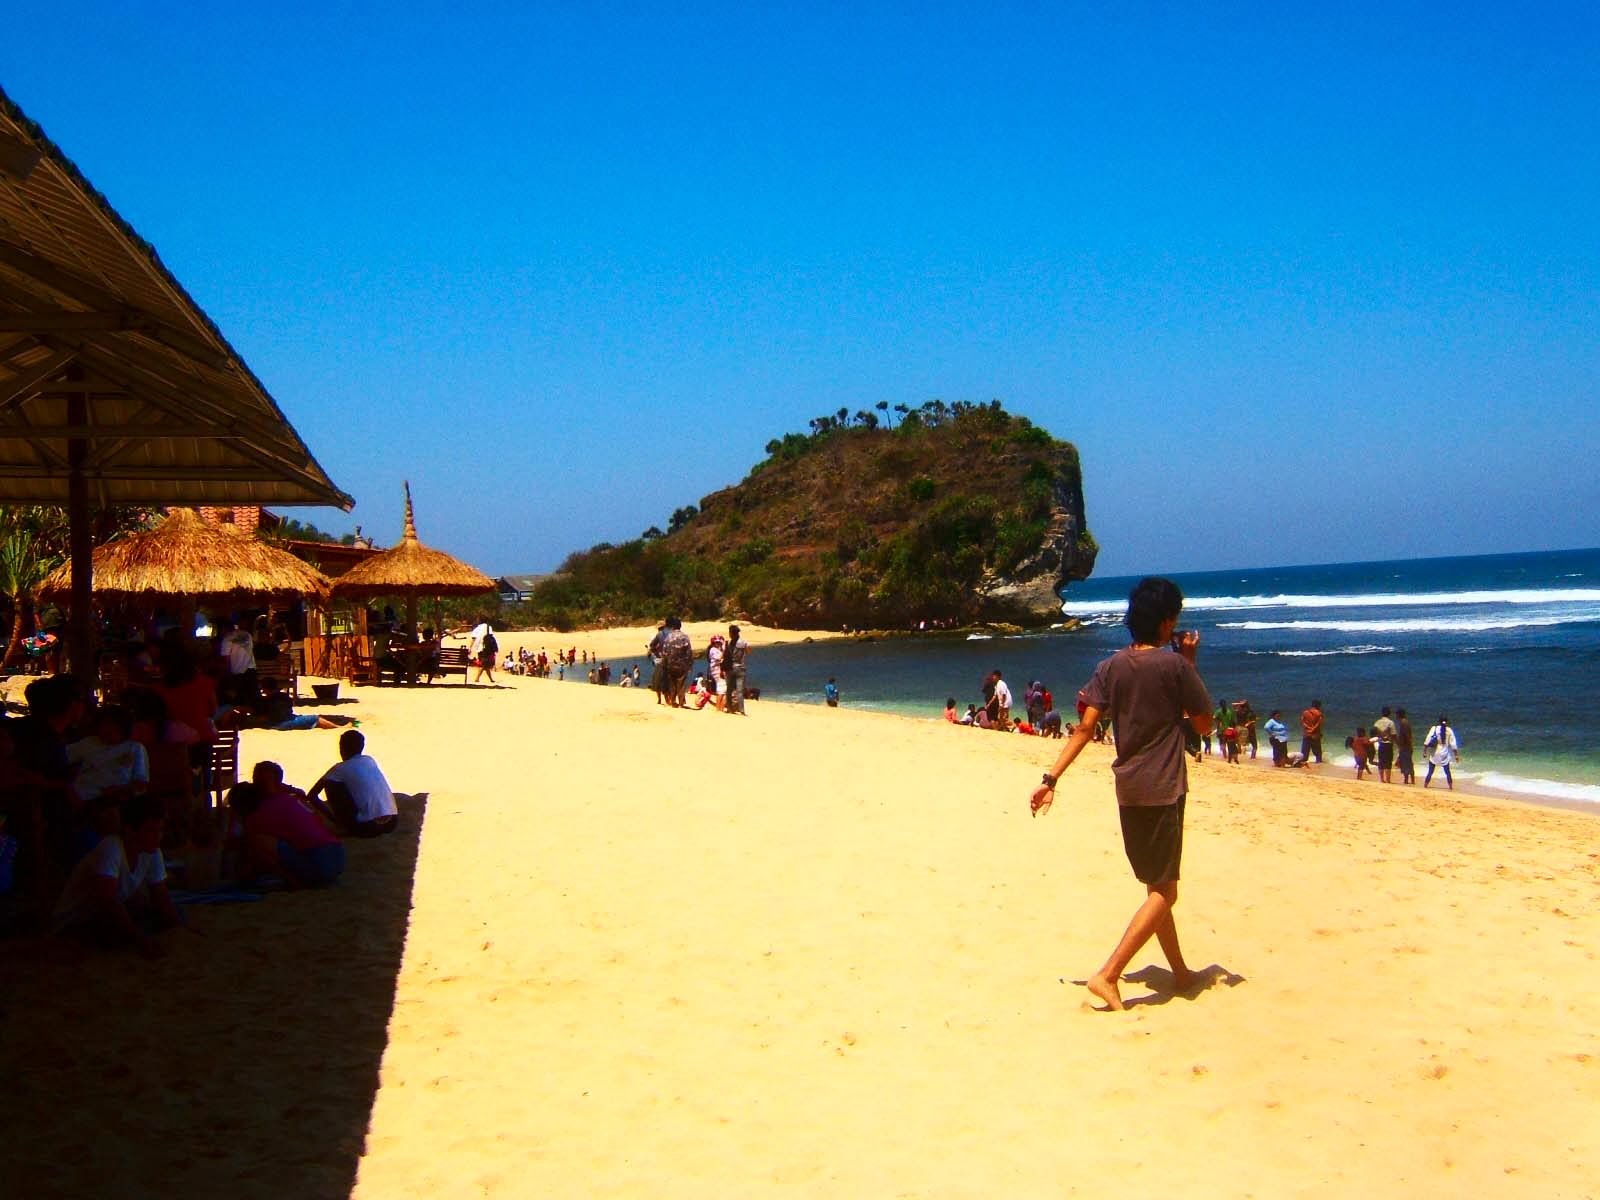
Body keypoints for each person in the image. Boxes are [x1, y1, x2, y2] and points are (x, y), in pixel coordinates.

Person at [1030, 577, 1213, 1012]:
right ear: (1167, 623)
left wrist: (1050, 779)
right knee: (1164, 894)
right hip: (1165, 788)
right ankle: (1108, 975)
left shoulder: (1110, 667)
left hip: (1128, 788)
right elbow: (1203, 725)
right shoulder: (1176, 667)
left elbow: (1084, 729)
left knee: (1156, 883)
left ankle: (1181, 973)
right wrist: (1189, 661)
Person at [52, 793, 184, 956]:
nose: (158, 836)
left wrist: (180, 930)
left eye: (160, 829)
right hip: (76, 920)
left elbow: (161, 896)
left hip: (102, 915)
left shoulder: (152, 852)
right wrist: (140, 940)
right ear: (130, 830)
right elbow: (107, 901)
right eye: (151, 830)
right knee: (118, 928)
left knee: (168, 913)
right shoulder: (111, 848)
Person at [230, 772, 345, 888]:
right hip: (338, 857)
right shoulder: (289, 798)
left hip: (319, 863)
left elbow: (249, 850)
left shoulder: (256, 817)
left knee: (258, 842)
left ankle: (293, 880)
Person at [306, 730, 398, 837]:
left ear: (342, 748)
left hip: (366, 827)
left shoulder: (339, 768)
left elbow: (312, 795)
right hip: (392, 822)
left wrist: (333, 819)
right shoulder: (369, 760)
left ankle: (344, 824)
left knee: (331, 784)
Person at [1423, 716, 1460, 789]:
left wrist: (1424, 752)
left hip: (1435, 753)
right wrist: (1456, 756)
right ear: (1447, 722)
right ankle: (1450, 787)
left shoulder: (1434, 728)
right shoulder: (1449, 730)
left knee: (1430, 771)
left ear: (1439, 721)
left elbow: (1427, 740)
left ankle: (1425, 785)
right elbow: (1453, 744)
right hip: (1444, 753)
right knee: (1447, 772)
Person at [724, 624, 751, 714]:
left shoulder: (728, 643)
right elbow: (749, 651)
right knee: (740, 690)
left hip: (730, 668)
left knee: (729, 690)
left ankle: (730, 708)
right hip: (740, 667)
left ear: (731, 633)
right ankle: (741, 710)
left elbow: (724, 656)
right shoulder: (743, 642)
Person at [1370, 707, 1398, 783]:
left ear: (1382, 713)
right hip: (1388, 744)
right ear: (1389, 714)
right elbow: (1394, 735)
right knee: (1388, 762)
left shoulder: (1377, 722)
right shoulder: (1391, 723)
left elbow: (1373, 733)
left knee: (1381, 761)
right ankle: (1388, 779)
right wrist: (1397, 744)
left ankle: (1382, 779)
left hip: (1380, 743)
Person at [1300, 699, 1325, 765]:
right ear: (1318, 706)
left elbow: (1302, 721)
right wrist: (1313, 729)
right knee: (1318, 753)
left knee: (1304, 751)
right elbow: (1319, 723)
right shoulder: (1319, 713)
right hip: (1315, 734)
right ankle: (1318, 765)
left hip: (1306, 734)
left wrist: (1308, 728)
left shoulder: (1305, 712)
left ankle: (1303, 764)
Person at [1395, 708, 1416, 784]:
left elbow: (1406, 735)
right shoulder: (1404, 722)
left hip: (1405, 746)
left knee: (1406, 763)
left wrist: (1405, 745)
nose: (1396, 716)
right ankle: (1409, 779)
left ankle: (1408, 779)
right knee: (1407, 762)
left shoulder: (1403, 722)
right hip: (1406, 746)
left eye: (1397, 714)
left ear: (1399, 715)